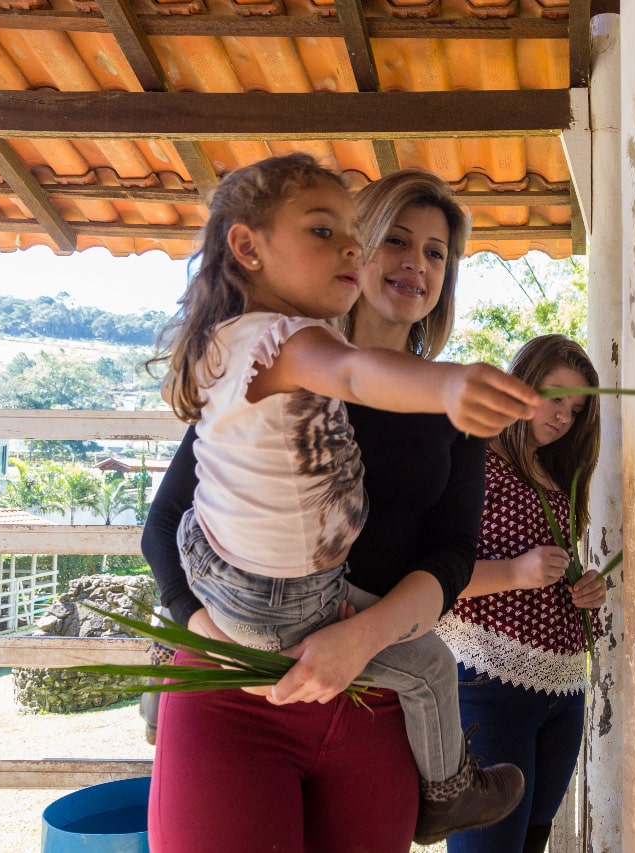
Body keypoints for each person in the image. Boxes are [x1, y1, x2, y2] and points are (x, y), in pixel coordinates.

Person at [142, 157, 536, 852]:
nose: (416, 263)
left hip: (374, 693)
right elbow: (167, 525)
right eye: (397, 240)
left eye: (437, 253)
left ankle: (444, 789)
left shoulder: (453, 412)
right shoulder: (276, 363)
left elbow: (450, 559)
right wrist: (222, 640)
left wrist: (360, 639)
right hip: (236, 688)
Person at [435, 334, 610, 853]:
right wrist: (514, 572)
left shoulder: (557, 474)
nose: (563, 418)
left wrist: (586, 588)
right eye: (555, 398)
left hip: (563, 688)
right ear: (522, 383)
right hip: (488, 680)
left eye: (575, 411)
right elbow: (432, 573)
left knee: (531, 843)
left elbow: (550, 572)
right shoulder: (472, 457)